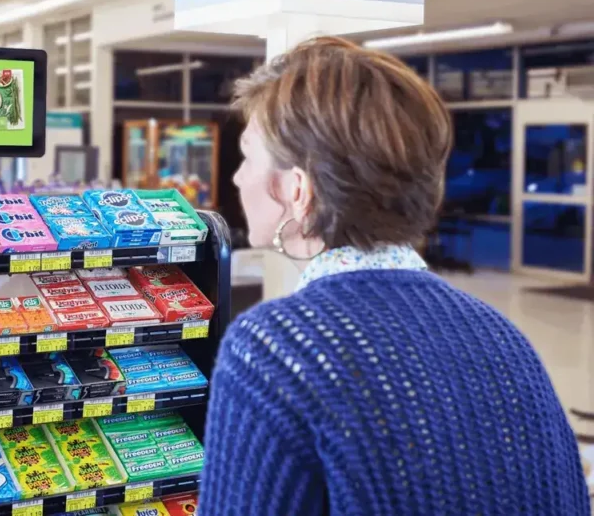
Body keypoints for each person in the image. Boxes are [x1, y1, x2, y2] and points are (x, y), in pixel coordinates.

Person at [201, 37, 589, 515]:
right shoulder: (504, 336)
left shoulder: (275, 350)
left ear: (298, 190)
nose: (238, 179)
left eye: (248, 157)